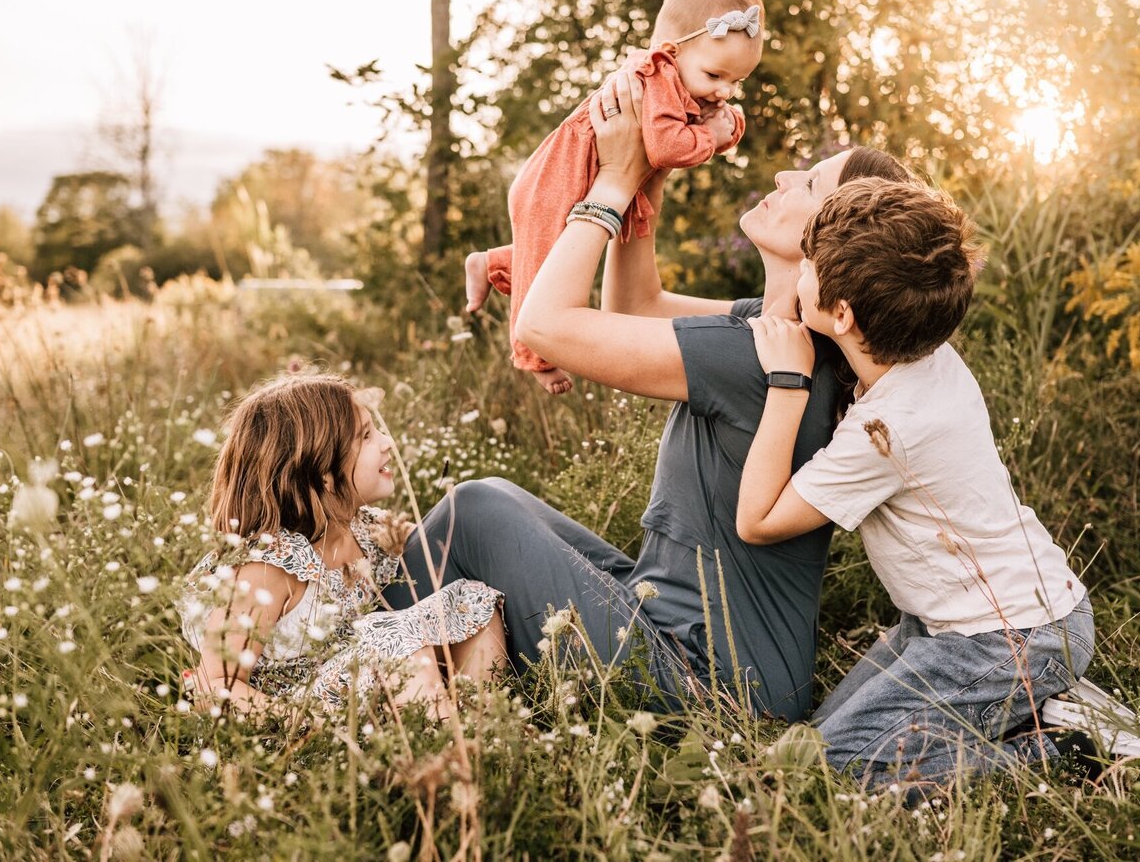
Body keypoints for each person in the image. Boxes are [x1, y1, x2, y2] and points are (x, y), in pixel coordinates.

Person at [384, 69, 910, 721]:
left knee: (475, 509)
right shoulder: (781, 334)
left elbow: (543, 325)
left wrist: (613, 180)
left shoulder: (756, 354)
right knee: (506, 503)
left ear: (827, 241)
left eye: (807, 184)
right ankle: (425, 667)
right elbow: (636, 305)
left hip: (702, 682)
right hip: (700, 642)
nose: (781, 178)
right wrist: (651, 174)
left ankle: (356, 668)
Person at [734, 177, 1092, 793]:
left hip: (1005, 640)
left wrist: (787, 383)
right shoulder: (924, 347)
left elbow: (758, 522)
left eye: (810, 266)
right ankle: (1014, 711)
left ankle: (1058, 751)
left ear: (842, 314)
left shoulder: (889, 426)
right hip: (972, 623)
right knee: (813, 743)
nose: (803, 270)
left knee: (835, 773)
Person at [464, 0, 762, 395]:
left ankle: (491, 263)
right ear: (670, 53)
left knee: (548, 255)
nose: (725, 91)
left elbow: (692, 134)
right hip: (553, 180)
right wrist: (713, 136)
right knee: (541, 271)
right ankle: (534, 356)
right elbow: (665, 149)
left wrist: (725, 128)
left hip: (575, 181)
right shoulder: (656, 81)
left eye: (737, 82)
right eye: (716, 75)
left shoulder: (683, 85)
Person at [179, 373, 506, 720]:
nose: (387, 442)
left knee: (471, 601)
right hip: (305, 717)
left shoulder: (365, 528)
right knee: (396, 641)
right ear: (323, 472)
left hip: (368, 687)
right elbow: (213, 683)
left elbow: (433, 547)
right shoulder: (268, 568)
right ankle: (444, 749)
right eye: (366, 436)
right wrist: (306, 727)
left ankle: (478, 729)